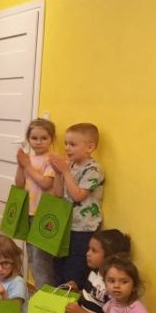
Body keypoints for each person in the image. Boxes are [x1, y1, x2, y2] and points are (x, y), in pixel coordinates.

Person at [49, 123, 104, 287]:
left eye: (72, 144)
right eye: (66, 143)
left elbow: (78, 195)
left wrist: (65, 171)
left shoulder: (94, 169)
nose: (67, 148)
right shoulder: (70, 166)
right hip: (66, 226)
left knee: (74, 272)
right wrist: (58, 173)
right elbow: (58, 194)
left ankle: (73, 301)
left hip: (83, 230)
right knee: (58, 268)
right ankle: (57, 300)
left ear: (90, 147)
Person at [61, 229, 132, 313]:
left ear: (109, 257)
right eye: (89, 249)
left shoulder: (114, 285)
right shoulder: (94, 272)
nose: (87, 253)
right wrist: (76, 291)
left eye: (94, 251)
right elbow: (90, 297)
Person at [14, 118, 57, 289]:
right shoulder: (28, 159)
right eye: (34, 138)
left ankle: (45, 294)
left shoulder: (52, 160)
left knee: (41, 260)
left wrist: (27, 165)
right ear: (28, 139)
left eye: (44, 138)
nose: (38, 142)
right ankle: (40, 291)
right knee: (32, 257)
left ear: (52, 139)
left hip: (43, 215)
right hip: (29, 213)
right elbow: (19, 184)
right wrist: (21, 165)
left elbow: (46, 183)